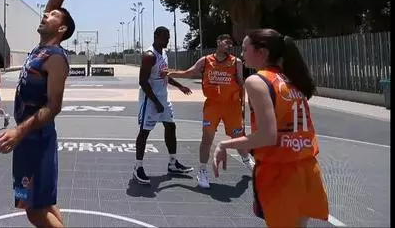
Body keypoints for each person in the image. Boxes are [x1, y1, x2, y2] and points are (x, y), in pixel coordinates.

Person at [0, 0, 95, 228]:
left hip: (35, 138)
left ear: (61, 29)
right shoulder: (40, 49)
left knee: (34, 211)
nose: (45, 15)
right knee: (45, 205)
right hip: (31, 137)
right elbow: (53, 5)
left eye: (52, 16)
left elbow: (54, 106)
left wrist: (19, 132)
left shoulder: (56, 58)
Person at [212, 29, 329, 227]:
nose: (241, 54)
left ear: (261, 51)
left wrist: (225, 144)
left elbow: (267, 136)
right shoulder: (291, 79)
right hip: (307, 169)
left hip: (280, 174)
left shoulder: (258, 81)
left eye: (245, 49)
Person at [165, 34, 254, 189]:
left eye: (231, 44)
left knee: (237, 137)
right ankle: (202, 171)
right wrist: (171, 73)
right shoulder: (206, 61)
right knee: (207, 138)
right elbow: (189, 73)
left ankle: (247, 160)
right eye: (226, 42)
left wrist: (243, 105)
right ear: (218, 42)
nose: (228, 46)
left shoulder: (236, 62)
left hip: (231, 106)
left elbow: (241, 83)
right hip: (213, 105)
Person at [133, 26, 195, 185]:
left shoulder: (164, 53)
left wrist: (180, 86)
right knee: (144, 132)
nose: (168, 40)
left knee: (171, 127)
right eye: (165, 37)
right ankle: (138, 167)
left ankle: (173, 163)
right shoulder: (149, 56)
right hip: (150, 100)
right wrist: (156, 102)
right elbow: (143, 82)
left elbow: (164, 75)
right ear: (156, 36)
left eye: (168, 37)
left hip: (163, 99)